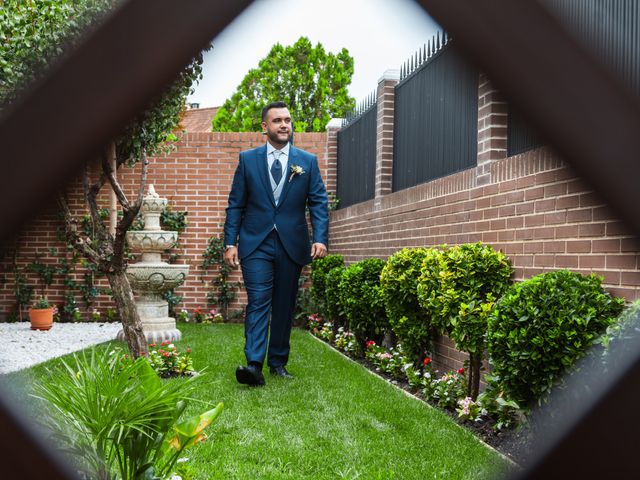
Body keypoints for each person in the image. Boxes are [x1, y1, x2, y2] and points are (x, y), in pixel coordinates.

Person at [223, 101, 329, 386]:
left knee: (284, 304)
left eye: (288, 120)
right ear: (264, 127)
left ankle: (278, 362)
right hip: (256, 242)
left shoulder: (306, 162)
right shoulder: (248, 160)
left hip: (291, 243)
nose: (284, 125)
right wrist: (229, 242)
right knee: (258, 301)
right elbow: (235, 205)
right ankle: (254, 364)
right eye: (278, 121)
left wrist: (320, 237)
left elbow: (318, 202)